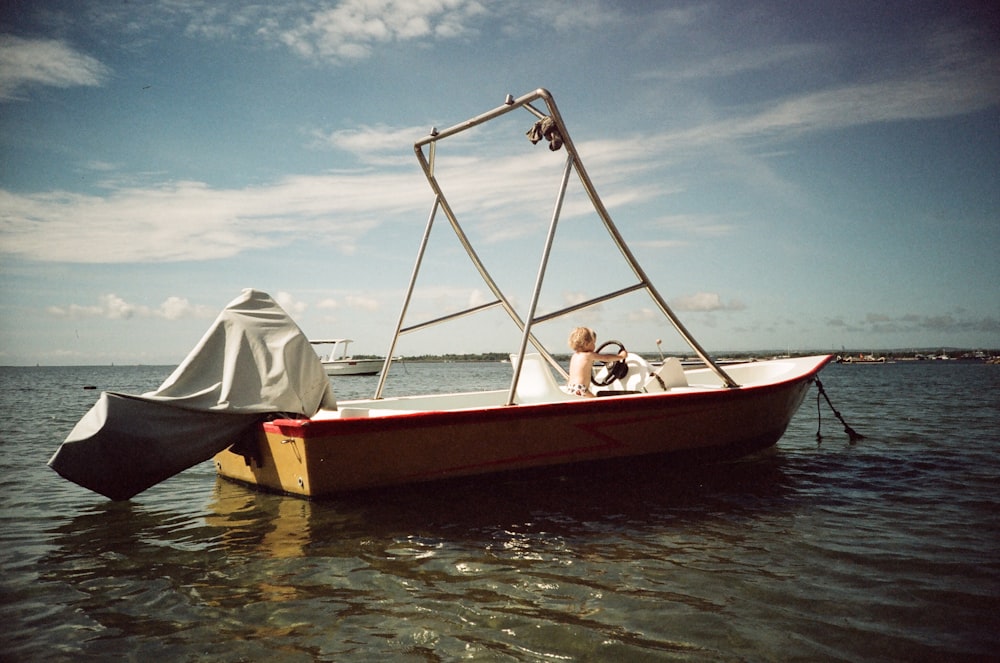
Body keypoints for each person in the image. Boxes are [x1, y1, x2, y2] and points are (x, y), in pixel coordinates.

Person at [566, 327, 627, 397]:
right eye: (593, 343)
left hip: (570, 388)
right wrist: (621, 356)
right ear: (586, 344)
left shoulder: (574, 356)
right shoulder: (589, 355)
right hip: (581, 388)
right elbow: (606, 358)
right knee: (597, 404)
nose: (595, 346)